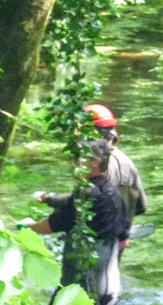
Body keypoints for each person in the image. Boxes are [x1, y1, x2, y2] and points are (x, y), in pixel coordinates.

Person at [25, 138, 129, 305]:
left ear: (95, 162)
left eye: (79, 158)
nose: (74, 163)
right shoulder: (114, 195)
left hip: (80, 288)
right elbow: (124, 242)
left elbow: (51, 225)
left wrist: (26, 228)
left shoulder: (87, 194)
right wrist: (50, 199)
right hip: (109, 285)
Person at [37, 104, 147, 263]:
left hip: (95, 245)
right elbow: (141, 206)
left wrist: (52, 199)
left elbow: (89, 200)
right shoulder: (127, 162)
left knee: (84, 284)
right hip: (117, 241)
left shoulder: (96, 164)